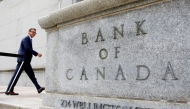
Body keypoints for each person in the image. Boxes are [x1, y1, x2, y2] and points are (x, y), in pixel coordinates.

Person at [5, 28, 45, 95]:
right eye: (33, 32)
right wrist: (37, 53)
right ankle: (9, 90)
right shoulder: (26, 38)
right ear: (28, 32)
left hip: (26, 62)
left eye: (35, 33)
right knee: (16, 75)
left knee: (32, 75)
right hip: (23, 61)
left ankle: (39, 88)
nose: (34, 34)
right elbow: (27, 48)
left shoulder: (29, 39)